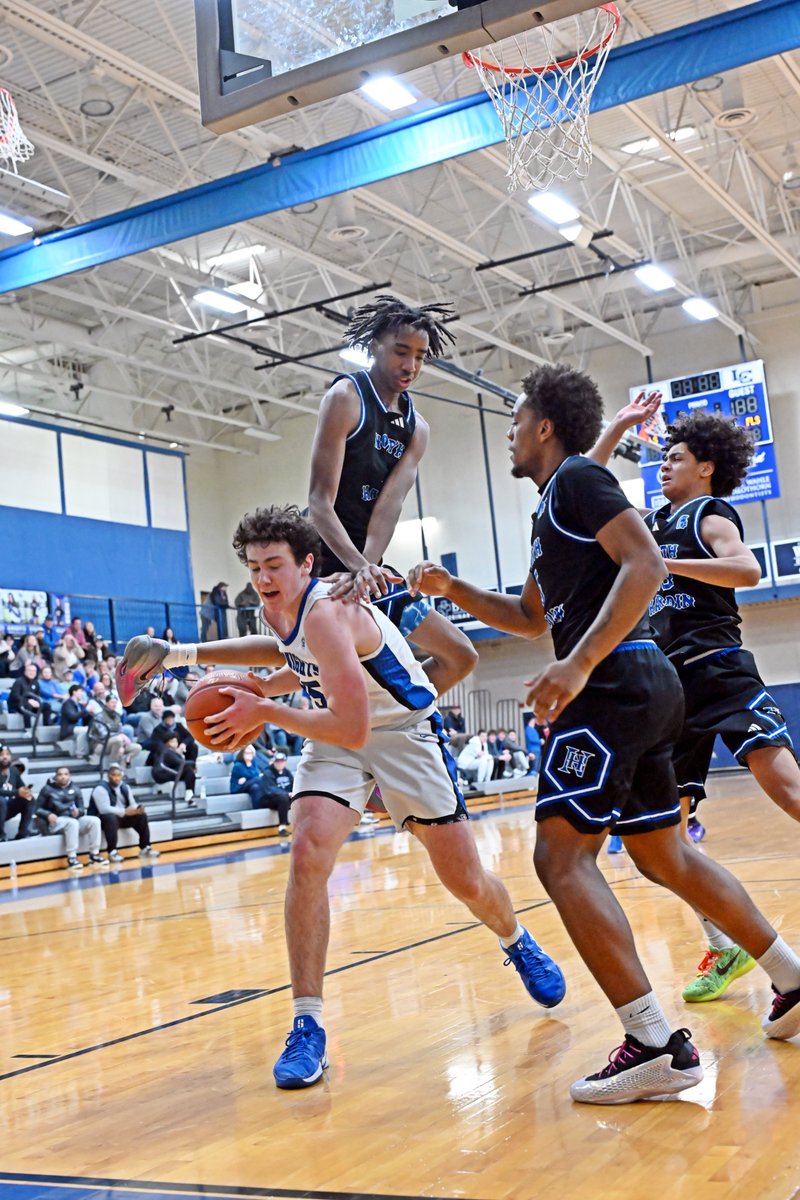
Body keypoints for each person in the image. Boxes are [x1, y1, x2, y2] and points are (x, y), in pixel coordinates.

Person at [407, 363, 800, 1103]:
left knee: (560, 859)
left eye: (517, 422)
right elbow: (529, 617)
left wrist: (577, 666)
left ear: (545, 426)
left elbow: (646, 564)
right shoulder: (554, 506)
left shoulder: (581, 482)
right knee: (663, 855)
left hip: (613, 683)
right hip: (646, 685)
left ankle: (654, 1041)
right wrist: (453, 591)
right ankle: (791, 976)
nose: (511, 436)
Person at [117, 504, 565, 1091]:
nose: (262, 578)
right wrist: (180, 657)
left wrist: (266, 710)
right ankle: (308, 1025)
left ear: (306, 563)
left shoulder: (327, 612)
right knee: (306, 854)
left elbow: (351, 723)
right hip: (338, 735)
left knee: (466, 881)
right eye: (253, 566)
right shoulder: (274, 606)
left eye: (274, 564)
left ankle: (516, 940)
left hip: (403, 734)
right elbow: (286, 660)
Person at [590, 400, 800, 1003]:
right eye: (662, 458)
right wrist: (619, 429)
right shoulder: (650, 524)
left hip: (722, 672)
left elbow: (747, 569)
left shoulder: (708, 514)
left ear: (706, 468)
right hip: (671, 689)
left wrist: (666, 564)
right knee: (661, 847)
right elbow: (586, 487)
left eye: (675, 459)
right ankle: (724, 941)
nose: (664, 467)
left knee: (784, 785)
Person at [307, 295, 477, 697]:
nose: (411, 366)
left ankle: (394, 714)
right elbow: (318, 502)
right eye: (401, 352)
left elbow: (387, 509)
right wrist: (355, 567)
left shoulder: (417, 428)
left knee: (461, 654)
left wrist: (367, 568)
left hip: (368, 568)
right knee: (322, 665)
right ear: (374, 346)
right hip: (321, 561)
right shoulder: (346, 398)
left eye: (420, 356)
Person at [36, 766, 106, 870]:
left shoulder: (76, 789)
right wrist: (48, 815)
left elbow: (82, 809)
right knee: (72, 823)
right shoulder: (47, 789)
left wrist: (78, 812)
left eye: (65, 774)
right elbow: (37, 809)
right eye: (60, 774)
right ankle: (72, 857)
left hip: (73, 819)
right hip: (56, 822)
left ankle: (94, 854)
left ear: (69, 776)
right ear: (56, 776)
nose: (63, 777)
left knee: (94, 820)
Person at [89, 765, 160, 862]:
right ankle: (112, 852)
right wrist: (124, 812)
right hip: (101, 819)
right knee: (110, 817)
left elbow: (132, 803)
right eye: (114, 775)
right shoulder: (100, 788)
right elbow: (103, 809)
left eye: (119, 775)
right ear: (108, 776)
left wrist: (137, 809)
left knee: (142, 816)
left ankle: (145, 848)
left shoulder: (125, 786)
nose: (117, 778)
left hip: (121, 816)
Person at [230, 743, 290, 833]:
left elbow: (255, 774)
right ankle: (258, 805)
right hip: (237, 787)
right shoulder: (238, 765)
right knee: (257, 782)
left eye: (250, 753)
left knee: (256, 786)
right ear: (242, 753)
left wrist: (246, 779)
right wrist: (248, 777)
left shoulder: (253, 762)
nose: (249, 755)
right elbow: (253, 774)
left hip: (249, 784)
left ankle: (258, 805)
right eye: (247, 752)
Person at [0, 743, 36, 840]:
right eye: (1, 755)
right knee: (1, 800)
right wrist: (16, 792)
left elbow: (21, 787)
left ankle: (23, 832)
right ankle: (1, 835)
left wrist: (26, 791)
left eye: (7, 754)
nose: (4, 757)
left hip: (8, 809)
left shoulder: (13, 771)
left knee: (29, 798)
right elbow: (16, 792)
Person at [151, 735, 196, 804]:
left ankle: (189, 793)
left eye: (176, 741)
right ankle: (189, 794)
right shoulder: (167, 751)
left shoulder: (167, 751)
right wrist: (194, 763)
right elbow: (180, 762)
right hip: (161, 773)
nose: (176, 743)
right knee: (188, 769)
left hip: (165, 772)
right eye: (174, 741)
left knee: (188, 770)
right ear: (168, 743)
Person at [8, 662, 54, 728]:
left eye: (34, 671)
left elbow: (38, 695)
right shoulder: (18, 681)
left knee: (47, 706)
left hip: (31, 704)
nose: (32, 673)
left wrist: (37, 702)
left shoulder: (36, 683)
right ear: (25, 671)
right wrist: (27, 701)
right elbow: (15, 696)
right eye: (30, 671)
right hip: (18, 705)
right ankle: (28, 729)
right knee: (27, 706)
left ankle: (46, 727)